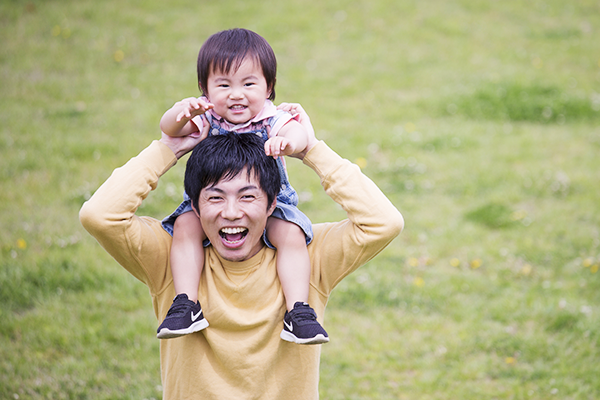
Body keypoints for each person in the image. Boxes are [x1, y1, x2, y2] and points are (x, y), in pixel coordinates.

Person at [79, 101, 404, 398]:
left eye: (248, 196)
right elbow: (100, 215)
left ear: (273, 204)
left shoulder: (306, 256)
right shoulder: (173, 259)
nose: (231, 212)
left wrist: (311, 149)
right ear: (193, 205)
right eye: (215, 197)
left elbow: (383, 222)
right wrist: (168, 148)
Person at [156, 28, 327, 344]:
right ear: (204, 89)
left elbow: (299, 134)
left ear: (269, 87)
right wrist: (181, 113)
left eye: (248, 84)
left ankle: (298, 311)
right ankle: (185, 303)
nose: (236, 94)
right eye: (223, 85)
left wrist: (286, 143)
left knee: (291, 235)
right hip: (209, 202)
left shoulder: (269, 117)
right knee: (184, 227)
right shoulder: (207, 118)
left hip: (269, 204)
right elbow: (169, 128)